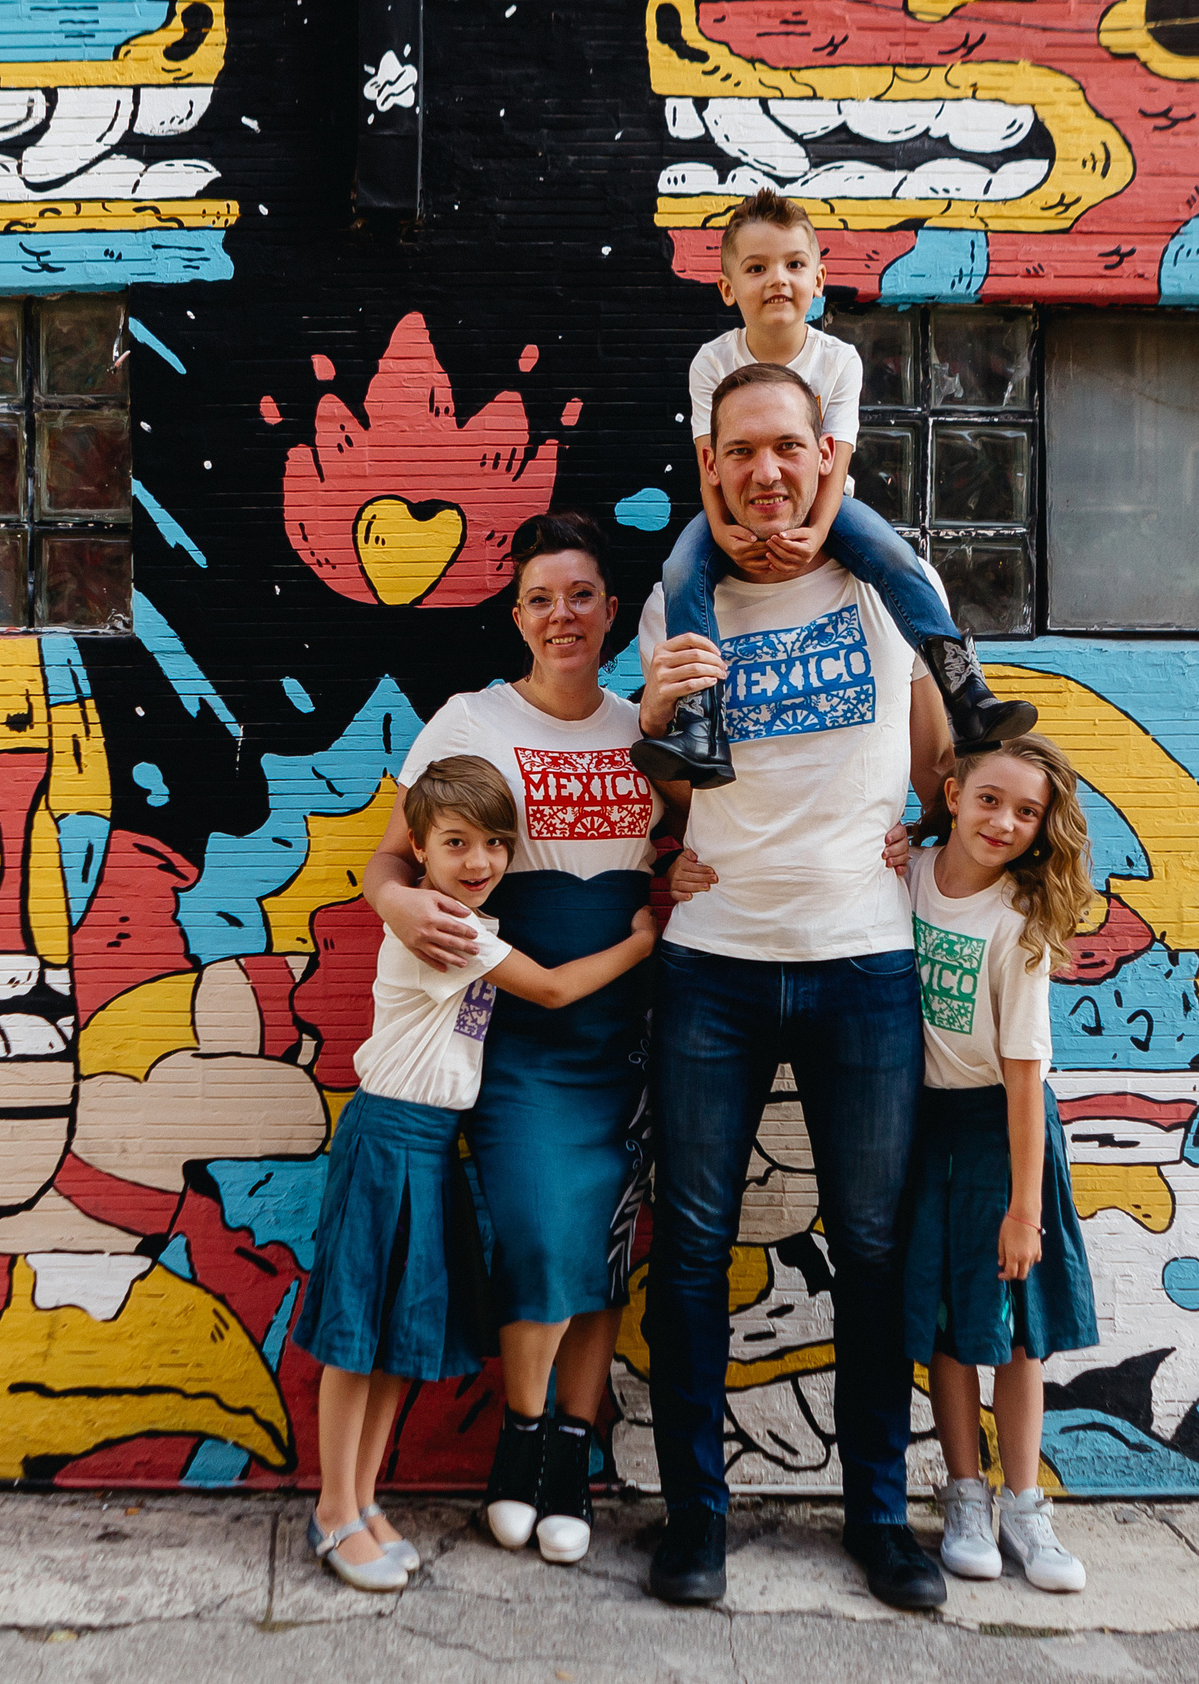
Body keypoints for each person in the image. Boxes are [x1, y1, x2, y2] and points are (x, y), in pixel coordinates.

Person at [634, 361, 956, 1612]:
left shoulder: (886, 586)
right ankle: (695, 1525)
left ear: (826, 457)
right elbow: (666, 794)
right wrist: (657, 732)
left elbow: (944, 754)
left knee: (873, 1250)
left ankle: (880, 1519)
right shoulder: (686, 605)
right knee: (695, 1254)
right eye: (740, 453)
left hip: (864, 964)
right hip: (713, 968)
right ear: (709, 468)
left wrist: (925, 839)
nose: (766, 472)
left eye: (787, 447)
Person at [361, 514, 662, 1566]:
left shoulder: (645, 727)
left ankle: (568, 1457)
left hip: (627, 1041)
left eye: (580, 595)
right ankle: (522, 1442)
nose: (561, 615)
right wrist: (395, 905)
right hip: (521, 1037)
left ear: (611, 611)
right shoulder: (470, 721)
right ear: (517, 614)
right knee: (536, 1234)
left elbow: (723, 831)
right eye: (540, 598)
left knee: (600, 1254)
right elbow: (386, 862)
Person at [296, 756, 657, 1592]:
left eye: (497, 843)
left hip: (428, 1147)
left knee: (397, 1342)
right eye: (456, 843)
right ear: (417, 848)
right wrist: (640, 939)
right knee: (359, 1341)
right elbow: (559, 989)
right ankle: (332, 1509)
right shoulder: (452, 929)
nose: (481, 861)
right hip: (391, 1137)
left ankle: (363, 1499)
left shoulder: (464, 914)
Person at [628, 188, 1034, 790]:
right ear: (726, 287)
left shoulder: (839, 358)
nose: (777, 280)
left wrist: (816, 532)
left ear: (819, 277)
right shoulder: (710, 362)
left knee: (897, 559)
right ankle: (700, 723)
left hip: (826, 501)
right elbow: (708, 458)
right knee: (683, 572)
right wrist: (719, 532)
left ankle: (964, 690)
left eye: (794, 264)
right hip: (734, 505)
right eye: (757, 267)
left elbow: (835, 459)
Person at [893, 735, 1100, 1593]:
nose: (1004, 821)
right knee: (948, 1320)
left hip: (1001, 1130)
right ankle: (965, 1492)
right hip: (922, 1124)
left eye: (1026, 811)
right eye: (989, 799)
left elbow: (1024, 1080)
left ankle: (1024, 1501)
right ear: (951, 791)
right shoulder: (906, 872)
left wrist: (1025, 1208)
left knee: (1014, 1329)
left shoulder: (1019, 923)